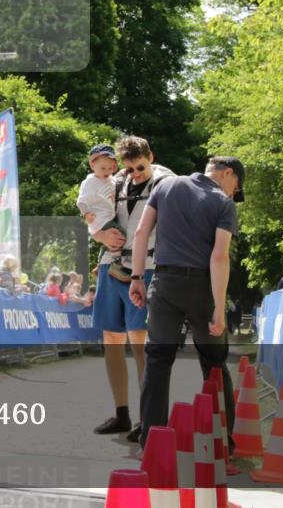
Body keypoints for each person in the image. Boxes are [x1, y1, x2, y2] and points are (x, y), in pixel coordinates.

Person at [129, 156, 246, 451]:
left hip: (164, 283)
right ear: (228, 174)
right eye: (237, 187)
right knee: (215, 362)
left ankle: (152, 441)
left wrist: (136, 277)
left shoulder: (166, 186)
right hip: (202, 288)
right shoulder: (223, 203)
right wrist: (219, 309)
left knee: (157, 361)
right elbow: (219, 257)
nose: (234, 194)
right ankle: (222, 442)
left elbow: (141, 233)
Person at [91, 135, 175, 443]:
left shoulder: (166, 182)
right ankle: (122, 413)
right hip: (110, 265)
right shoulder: (113, 181)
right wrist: (101, 236)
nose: (135, 174)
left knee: (140, 343)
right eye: (130, 169)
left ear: (150, 156)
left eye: (140, 167)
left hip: (147, 267)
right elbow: (89, 211)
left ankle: (147, 417)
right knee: (112, 338)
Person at [77, 143, 125, 272]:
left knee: (109, 241)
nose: (107, 171)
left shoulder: (111, 179)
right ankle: (116, 264)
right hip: (99, 219)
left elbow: (118, 179)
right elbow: (81, 201)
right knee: (120, 234)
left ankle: (100, 263)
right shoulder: (90, 182)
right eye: (103, 168)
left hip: (109, 217)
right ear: (92, 165)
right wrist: (86, 213)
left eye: (110, 167)